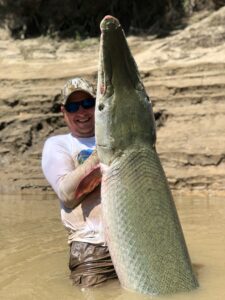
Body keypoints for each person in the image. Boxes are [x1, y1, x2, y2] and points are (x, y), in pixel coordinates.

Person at [42, 77, 117, 287]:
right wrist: (103, 151)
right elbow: (67, 194)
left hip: (135, 242)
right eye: (73, 106)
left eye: (88, 104)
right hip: (92, 248)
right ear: (63, 112)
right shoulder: (58, 144)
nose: (81, 112)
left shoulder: (119, 138)